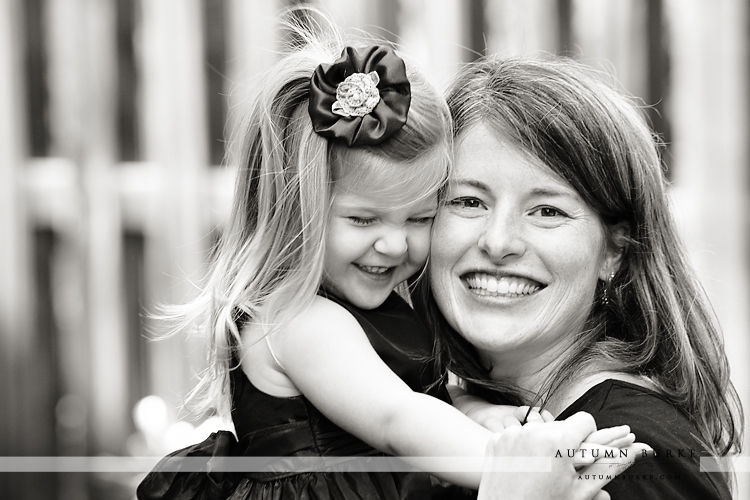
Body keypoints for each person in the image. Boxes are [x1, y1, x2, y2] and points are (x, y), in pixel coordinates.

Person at [136, 18, 640, 500]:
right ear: (299, 214)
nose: (396, 245)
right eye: (363, 220)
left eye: (419, 219)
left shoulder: (374, 313)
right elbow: (396, 420)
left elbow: (409, 399)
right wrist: (526, 467)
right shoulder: (297, 321)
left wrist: (471, 409)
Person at [416, 55, 744, 499]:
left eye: (547, 210)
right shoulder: (449, 419)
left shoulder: (625, 454)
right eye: (469, 201)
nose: (498, 242)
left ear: (615, 251)